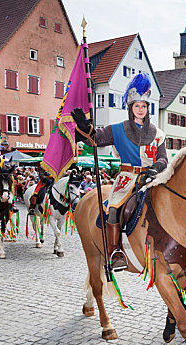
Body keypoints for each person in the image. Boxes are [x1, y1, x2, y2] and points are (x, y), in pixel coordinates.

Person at [72, 73, 168, 270]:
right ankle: (114, 253)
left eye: (143, 106)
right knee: (114, 209)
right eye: (136, 106)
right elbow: (95, 138)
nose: (140, 109)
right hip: (127, 179)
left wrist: (155, 168)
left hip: (152, 177)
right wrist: (84, 127)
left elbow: (163, 158)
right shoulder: (118, 129)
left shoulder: (158, 134)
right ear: (130, 108)